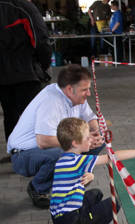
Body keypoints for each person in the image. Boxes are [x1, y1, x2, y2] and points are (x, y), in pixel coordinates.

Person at [51, 117, 135, 224]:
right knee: (114, 203)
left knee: (95, 194)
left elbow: (70, 184)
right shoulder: (78, 161)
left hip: (60, 218)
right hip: (70, 220)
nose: (91, 140)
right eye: (87, 138)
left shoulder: (64, 159)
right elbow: (111, 156)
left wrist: (90, 177)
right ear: (75, 143)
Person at [7, 64, 105, 209]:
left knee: (97, 142)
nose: (88, 93)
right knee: (62, 153)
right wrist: (84, 140)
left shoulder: (75, 96)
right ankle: (37, 188)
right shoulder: (51, 101)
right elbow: (44, 141)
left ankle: (73, 178)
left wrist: (97, 134)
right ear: (70, 89)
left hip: (41, 150)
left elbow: (90, 118)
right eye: (85, 90)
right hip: (23, 155)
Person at [0, 0, 52, 150]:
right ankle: (33, 155)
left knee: (10, 115)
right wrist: (43, 65)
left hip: (4, 76)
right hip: (26, 73)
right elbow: (41, 39)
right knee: (32, 115)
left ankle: (16, 153)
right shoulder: (23, 7)